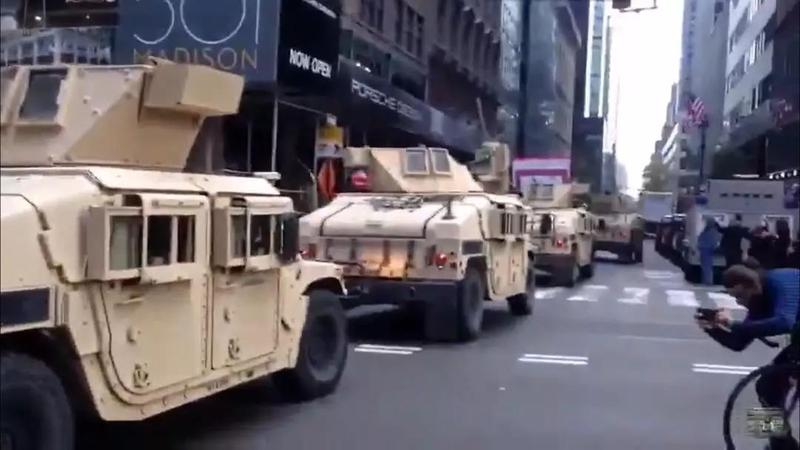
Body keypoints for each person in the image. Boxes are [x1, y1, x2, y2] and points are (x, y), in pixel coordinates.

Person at [697, 265, 800, 450]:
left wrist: (732, 323)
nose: (739, 302)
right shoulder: (758, 302)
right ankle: (780, 445)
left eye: (740, 296)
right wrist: (713, 329)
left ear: (752, 286)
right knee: (766, 386)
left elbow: (785, 322)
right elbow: (738, 343)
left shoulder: (778, 283)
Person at [697, 217, 722, 285]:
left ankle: (708, 281)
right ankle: (707, 281)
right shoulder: (713, 231)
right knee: (706, 266)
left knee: (706, 267)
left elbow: (701, 239)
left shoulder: (709, 231)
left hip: (706, 250)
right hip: (707, 250)